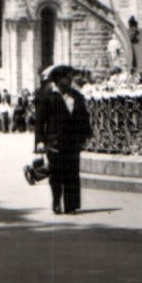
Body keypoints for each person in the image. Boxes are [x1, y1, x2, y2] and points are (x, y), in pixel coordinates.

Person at [35, 65, 93, 214]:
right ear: (58, 79)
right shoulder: (48, 96)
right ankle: (56, 201)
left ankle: (71, 205)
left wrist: (86, 135)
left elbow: (84, 117)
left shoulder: (77, 96)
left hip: (73, 142)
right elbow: (40, 121)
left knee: (72, 173)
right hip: (54, 142)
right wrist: (40, 141)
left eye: (69, 77)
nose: (69, 80)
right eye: (66, 77)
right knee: (56, 174)